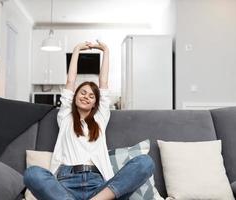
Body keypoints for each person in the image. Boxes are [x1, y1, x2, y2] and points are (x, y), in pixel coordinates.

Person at [24, 41, 155, 200]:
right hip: (65, 185)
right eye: (83, 93)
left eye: (91, 95)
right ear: (75, 97)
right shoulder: (65, 117)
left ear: (95, 104)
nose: (86, 96)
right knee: (32, 173)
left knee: (145, 162)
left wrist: (106, 51)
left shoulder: (100, 119)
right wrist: (76, 50)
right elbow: (70, 81)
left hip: (99, 188)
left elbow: (104, 83)